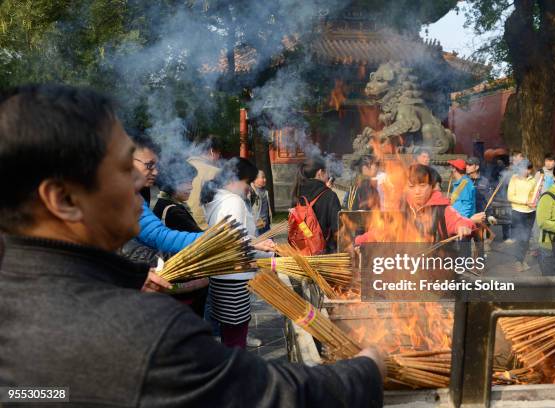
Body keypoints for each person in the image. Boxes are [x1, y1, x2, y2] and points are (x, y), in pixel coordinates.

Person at [0, 84, 385, 407]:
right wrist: (367, 368)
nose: (139, 186)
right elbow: (270, 395)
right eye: (123, 170)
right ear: (64, 199)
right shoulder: (141, 331)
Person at [202, 158, 276, 349]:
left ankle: (229, 368)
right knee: (236, 335)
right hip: (235, 277)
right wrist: (263, 248)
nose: (249, 188)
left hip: (220, 275)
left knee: (228, 332)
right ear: (235, 179)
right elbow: (235, 240)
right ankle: (236, 372)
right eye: (247, 182)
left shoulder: (216, 197)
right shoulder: (233, 201)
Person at [355, 164, 475, 245]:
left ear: (431, 186)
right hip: (404, 270)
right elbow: (382, 231)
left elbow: (460, 221)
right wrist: (359, 241)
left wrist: (462, 227)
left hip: (434, 270)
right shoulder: (400, 208)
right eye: (412, 187)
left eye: (422, 186)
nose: (417, 192)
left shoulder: (442, 209)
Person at [153, 158, 207, 317]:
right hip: (183, 282)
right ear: (171, 182)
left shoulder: (163, 204)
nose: (191, 187)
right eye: (186, 182)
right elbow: (201, 240)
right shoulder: (173, 211)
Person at [291, 155, 342, 253]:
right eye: (326, 172)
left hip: (300, 252)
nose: (328, 176)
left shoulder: (297, 192)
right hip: (324, 254)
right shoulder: (330, 196)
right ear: (320, 172)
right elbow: (338, 229)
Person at [507, 159, 537, 272]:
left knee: (527, 238)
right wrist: (525, 201)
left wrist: (535, 201)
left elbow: (534, 195)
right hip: (517, 212)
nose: (526, 171)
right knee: (520, 238)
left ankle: (522, 259)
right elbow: (510, 196)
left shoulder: (533, 180)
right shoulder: (514, 179)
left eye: (528, 168)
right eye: (524, 168)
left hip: (530, 212)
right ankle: (518, 261)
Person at [187, 136, 221, 229]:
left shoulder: (181, 166)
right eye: (219, 153)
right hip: (203, 228)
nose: (218, 158)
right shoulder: (215, 172)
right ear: (212, 151)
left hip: (176, 223)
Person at [466, 157, 492, 255]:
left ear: (476, 167)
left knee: (479, 243)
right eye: (466, 164)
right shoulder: (464, 180)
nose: (467, 167)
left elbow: (488, 200)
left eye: (470, 165)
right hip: (467, 218)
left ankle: (480, 265)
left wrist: (489, 215)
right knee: (465, 243)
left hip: (479, 218)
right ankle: (466, 265)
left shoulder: (485, 182)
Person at [250, 170, 273, 236]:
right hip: (256, 226)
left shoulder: (265, 191)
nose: (265, 179)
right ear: (255, 179)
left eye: (265, 177)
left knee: (270, 243)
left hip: (266, 224)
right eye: (262, 177)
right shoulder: (251, 192)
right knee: (258, 245)